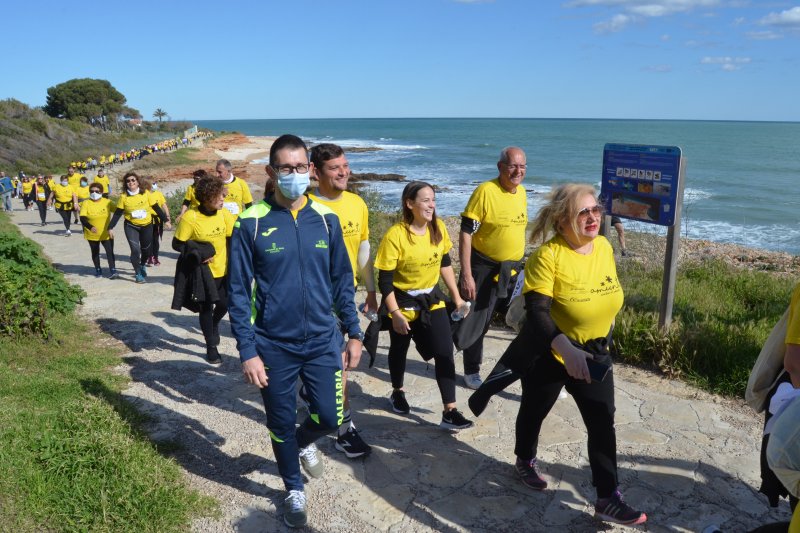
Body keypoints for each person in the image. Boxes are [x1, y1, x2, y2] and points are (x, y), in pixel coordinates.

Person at [481, 183, 645, 526]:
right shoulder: (548, 256)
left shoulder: (603, 247)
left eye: (595, 210)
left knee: (602, 422)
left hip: (594, 353)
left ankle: (607, 497)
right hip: (550, 354)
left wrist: (599, 338)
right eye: (582, 212)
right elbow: (538, 312)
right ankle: (524, 459)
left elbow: (608, 298)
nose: (592, 217)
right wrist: (565, 347)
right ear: (562, 220)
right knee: (534, 410)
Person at [227, 134, 363, 528]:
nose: (295, 174)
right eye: (286, 168)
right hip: (273, 345)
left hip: (323, 339)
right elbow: (237, 291)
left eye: (301, 167)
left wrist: (353, 333)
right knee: (280, 421)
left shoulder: (326, 219)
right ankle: (292, 488)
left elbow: (342, 280)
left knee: (332, 415)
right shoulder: (249, 223)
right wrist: (248, 351)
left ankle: (303, 444)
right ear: (272, 172)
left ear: (311, 170)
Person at [374, 180, 473, 431]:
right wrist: (395, 313)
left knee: (444, 352)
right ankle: (397, 391)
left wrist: (457, 297)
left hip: (431, 299)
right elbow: (384, 280)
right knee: (399, 349)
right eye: (426, 200)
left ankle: (449, 410)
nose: (432, 205)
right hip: (403, 301)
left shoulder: (437, 228)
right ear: (410, 203)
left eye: (433, 200)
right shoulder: (396, 235)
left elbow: (445, 264)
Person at [308, 143, 377, 459]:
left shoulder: (357, 203)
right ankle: (328, 418)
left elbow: (363, 250)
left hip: (343, 298)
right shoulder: (302, 205)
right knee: (323, 367)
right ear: (315, 171)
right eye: (335, 167)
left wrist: (372, 291)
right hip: (309, 299)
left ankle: (343, 430)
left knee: (339, 367)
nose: (343, 172)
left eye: (345, 166)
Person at [452, 147, 528, 390]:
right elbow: (466, 232)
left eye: (522, 166)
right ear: (500, 167)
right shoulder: (485, 191)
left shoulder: (523, 192)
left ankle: (530, 374)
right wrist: (466, 274)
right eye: (513, 166)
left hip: (513, 270)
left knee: (528, 319)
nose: (518, 171)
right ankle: (472, 370)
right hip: (484, 267)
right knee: (477, 320)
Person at [172, 176, 235, 363]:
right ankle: (211, 346)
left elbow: (232, 239)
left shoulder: (224, 214)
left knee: (225, 304)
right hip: (203, 272)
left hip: (223, 269)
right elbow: (177, 243)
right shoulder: (191, 217)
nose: (223, 198)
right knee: (205, 308)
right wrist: (198, 253)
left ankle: (215, 323)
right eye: (219, 195)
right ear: (207, 198)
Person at [108, 172, 171, 283]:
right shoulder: (123, 197)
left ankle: (142, 265)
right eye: (128, 181)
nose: (131, 182)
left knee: (146, 251)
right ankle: (138, 273)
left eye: (133, 180)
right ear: (125, 184)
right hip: (131, 226)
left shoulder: (146, 193)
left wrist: (166, 220)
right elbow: (118, 213)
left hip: (147, 225)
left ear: (137, 182)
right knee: (135, 250)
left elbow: (156, 207)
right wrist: (110, 227)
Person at [79, 182, 117, 279]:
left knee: (110, 252)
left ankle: (113, 270)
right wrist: (90, 226)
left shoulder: (107, 202)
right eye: (92, 191)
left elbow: (118, 211)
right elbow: (82, 217)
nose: (94, 193)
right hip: (92, 233)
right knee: (95, 252)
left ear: (102, 192)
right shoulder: (86, 203)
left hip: (106, 233)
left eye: (97, 191)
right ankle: (98, 269)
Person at [143, 178, 170, 266]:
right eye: (152, 183)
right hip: (148, 220)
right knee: (149, 240)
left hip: (158, 220)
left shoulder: (159, 194)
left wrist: (167, 216)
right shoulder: (144, 194)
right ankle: (149, 257)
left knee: (156, 240)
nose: (154, 185)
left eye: (155, 183)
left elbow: (164, 205)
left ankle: (156, 258)